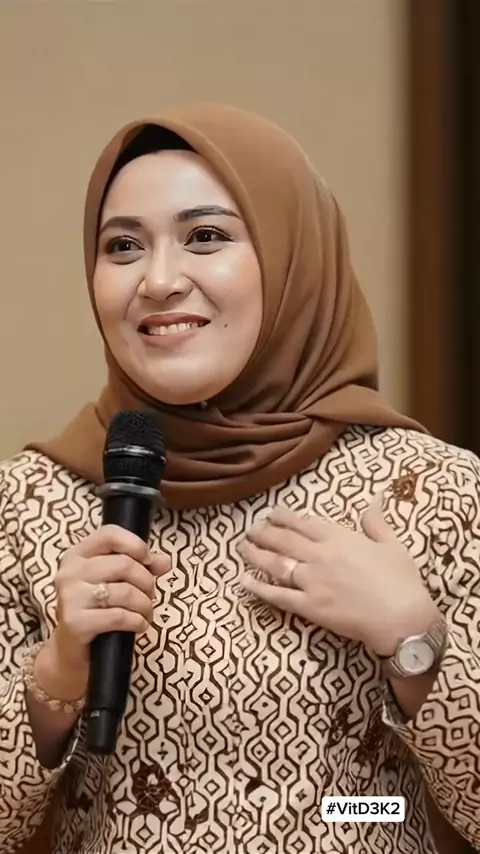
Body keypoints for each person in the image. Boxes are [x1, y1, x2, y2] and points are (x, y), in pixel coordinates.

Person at [1, 104, 479, 854]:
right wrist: (57, 674)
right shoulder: (31, 504)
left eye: (206, 237)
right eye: (123, 246)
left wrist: (411, 640)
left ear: (294, 258)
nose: (159, 280)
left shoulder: (430, 491)